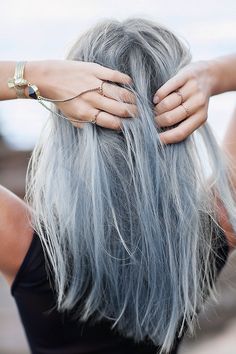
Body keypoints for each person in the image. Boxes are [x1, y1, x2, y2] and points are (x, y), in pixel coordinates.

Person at [0, 18, 235, 354]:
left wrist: (35, 77)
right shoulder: (210, 234)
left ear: (70, 127)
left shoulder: (23, 246)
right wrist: (211, 75)